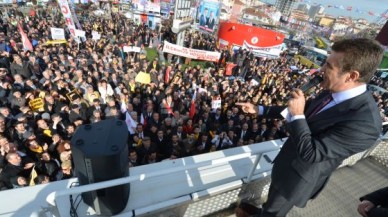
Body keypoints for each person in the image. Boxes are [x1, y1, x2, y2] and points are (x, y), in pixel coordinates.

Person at [236, 38, 384, 216]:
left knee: (274, 212)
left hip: (297, 179)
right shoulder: (334, 90)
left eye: (329, 66)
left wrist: (297, 116)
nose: (321, 69)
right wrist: (260, 109)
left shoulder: (365, 123)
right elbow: (304, 109)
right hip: (285, 165)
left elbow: (312, 153)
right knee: (271, 204)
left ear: (351, 76)